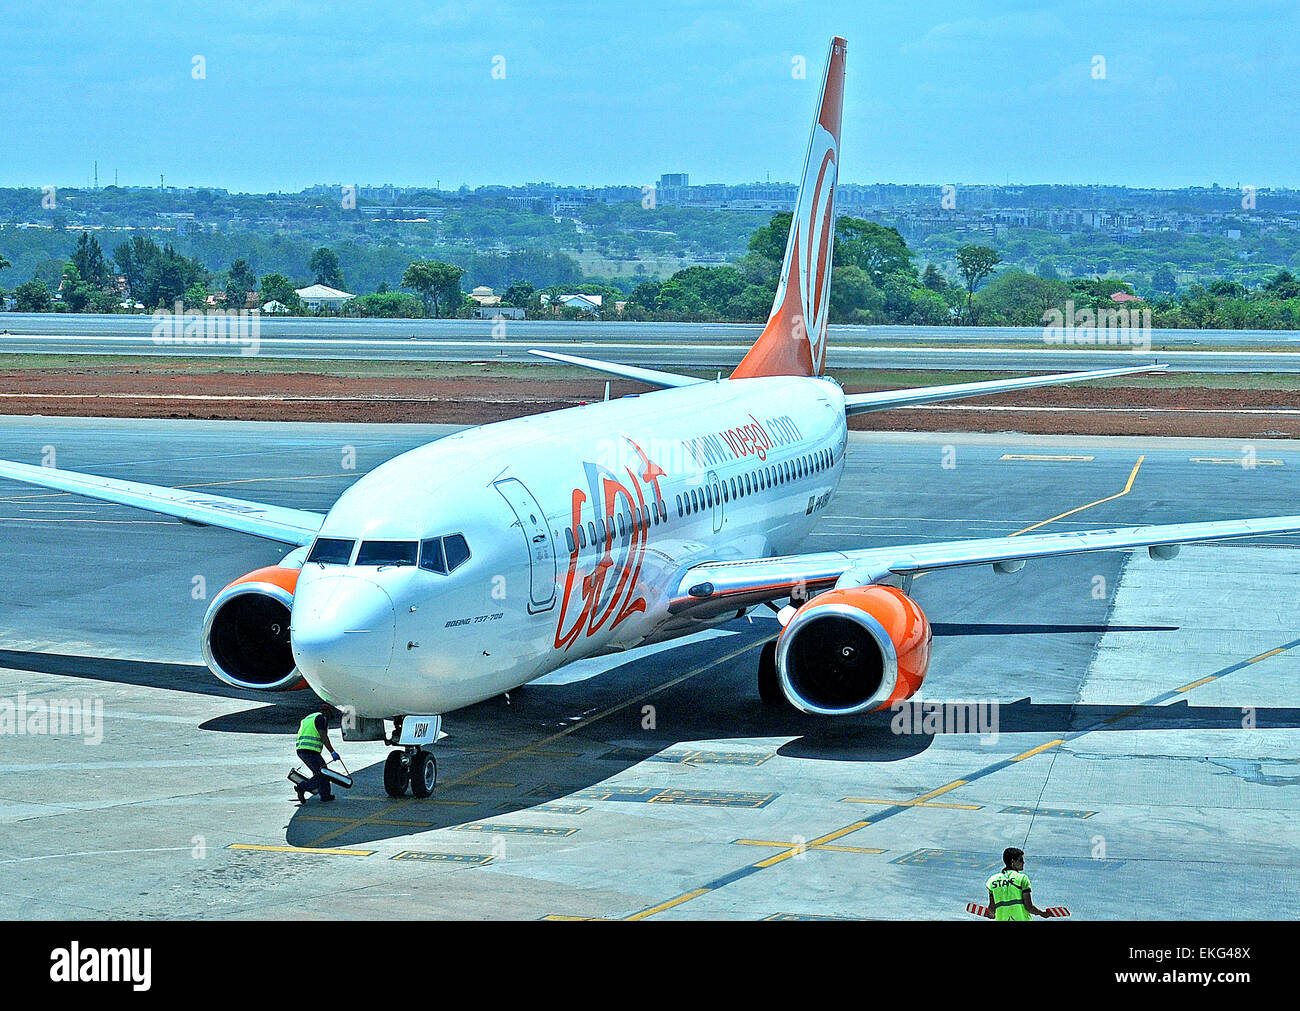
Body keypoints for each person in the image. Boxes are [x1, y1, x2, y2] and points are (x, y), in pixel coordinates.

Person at [984, 847, 1051, 920]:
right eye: (1021, 860)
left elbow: (992, 909)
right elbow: (1029, 907)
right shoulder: (1022, 879)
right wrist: (1042, 913)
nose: (1023, 862)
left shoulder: (992, 881)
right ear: (1013, 862)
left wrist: (991, 915)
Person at [295, 704, 341, 803]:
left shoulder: (309, 718)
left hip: (302, 749)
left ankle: (325, 795)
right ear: (327, 712)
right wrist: (332, 752)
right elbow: (323, 736)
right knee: (322, 773)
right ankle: (302, 787)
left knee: (321, 772)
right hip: (310, 750)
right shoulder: (322, 718)